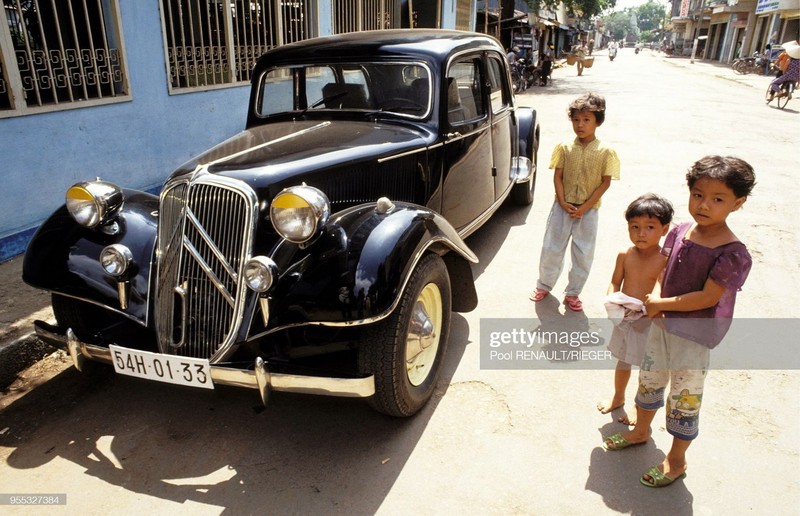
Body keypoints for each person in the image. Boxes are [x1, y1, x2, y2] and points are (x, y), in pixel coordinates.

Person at [602, 156, 756, 489]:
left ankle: (676, 459)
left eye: (718, 199)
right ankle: (640, 431)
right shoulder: (681, 231)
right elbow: (662, 272)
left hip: (693, 338)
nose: (704, 205)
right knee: (649, 381)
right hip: (661, 329)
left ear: (738, 203)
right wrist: (651, 301)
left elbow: (707, 298)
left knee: (684, 398)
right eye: (698, 194)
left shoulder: (732, 253)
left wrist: (660, 304)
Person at [530, 93, 620, 311]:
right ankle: (544, 285)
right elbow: (558, 176)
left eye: (587, 120)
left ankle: (573, 293)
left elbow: (605, 183)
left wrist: (585, 207)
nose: (580, 125)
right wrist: (561, 201)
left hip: (588, 212)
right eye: (576, 120)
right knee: (552, 248)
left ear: (598, 121)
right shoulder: (564, 147)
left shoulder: (606, 152)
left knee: (583, 253)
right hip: (562, 208)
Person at [597, 194, 673, 422]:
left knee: (648, 371)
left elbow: (665, 293)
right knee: (623, 361)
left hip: (652, 322)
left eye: (650, 227)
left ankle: (639, 408)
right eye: (635, 227)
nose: (641, 233)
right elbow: (615, 281)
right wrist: (612, 300)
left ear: (664, 229)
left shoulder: (665, 259)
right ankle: (618, 397)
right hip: (626, 318)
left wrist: (651, 315)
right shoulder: (625, 255)